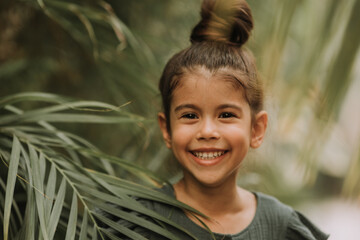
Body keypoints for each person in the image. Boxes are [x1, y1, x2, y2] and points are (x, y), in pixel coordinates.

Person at [100, 0, 329, 239]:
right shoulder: (131, 224)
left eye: (226, 115)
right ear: (166, 128)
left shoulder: (281, 228)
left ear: (256, 129)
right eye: (190, 115)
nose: (207, 131)